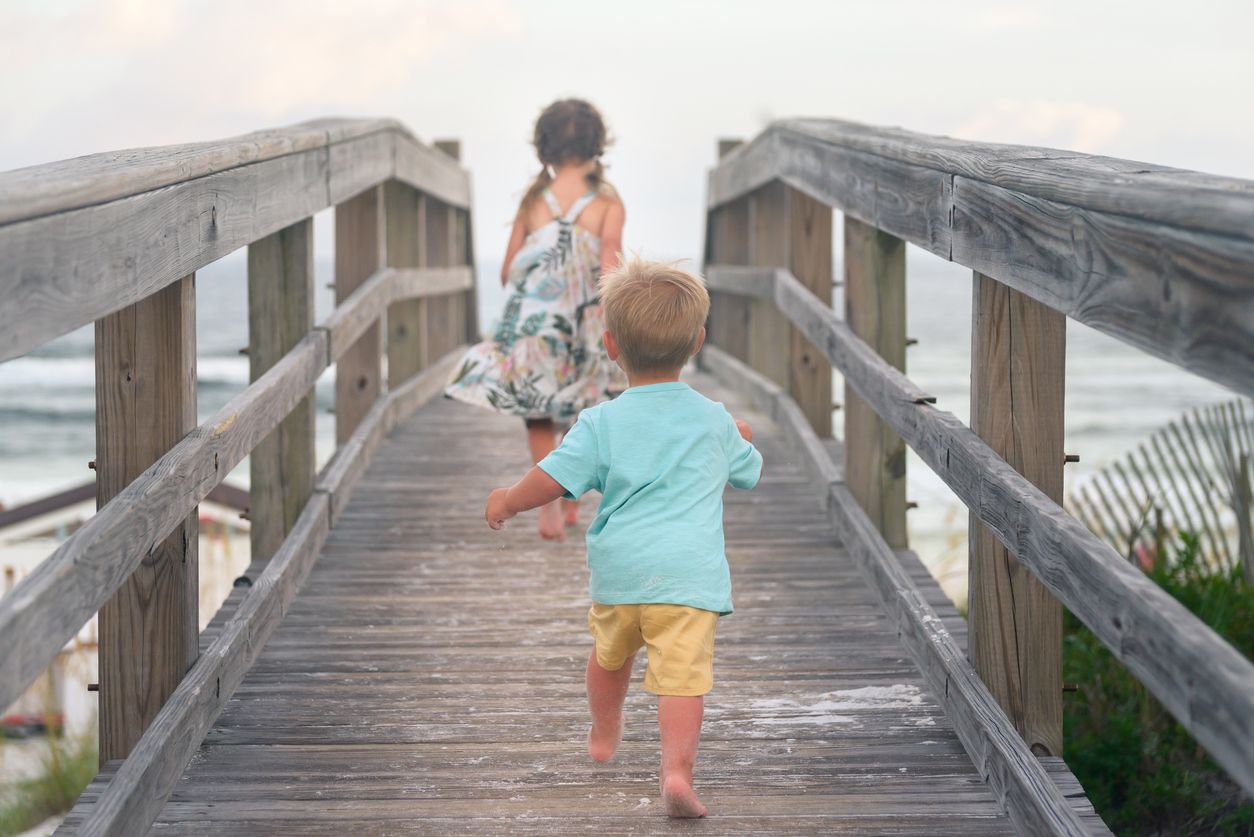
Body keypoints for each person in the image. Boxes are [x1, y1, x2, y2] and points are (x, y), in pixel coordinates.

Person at [483, 258, 763, 818]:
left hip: (621, 576)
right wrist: (741, 436)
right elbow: (748, 470)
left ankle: (605, 726)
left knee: (610, 657)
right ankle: (677, 773)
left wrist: (510, 500)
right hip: (688, 579)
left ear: (610, 345)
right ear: (698, 343)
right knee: (681, 679)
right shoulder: (713, 418)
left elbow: (554, 479)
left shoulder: (599, 422)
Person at [446, 98, 627, 540]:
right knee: (582, 412)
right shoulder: (606, 202)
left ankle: (546, 505)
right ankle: (568, 499)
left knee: (539, 413)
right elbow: (610, 266)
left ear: (542, 151)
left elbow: (509, 268)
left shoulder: (533, 202)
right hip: (582, 327)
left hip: (535, 328)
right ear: (597, 148)